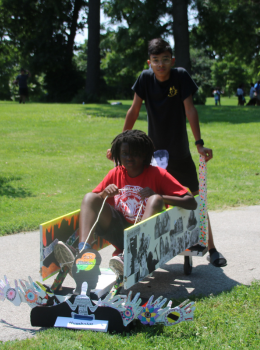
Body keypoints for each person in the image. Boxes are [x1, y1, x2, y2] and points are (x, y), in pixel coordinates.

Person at [107, 38, 226, 268]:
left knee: (194, 198)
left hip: (179, 152)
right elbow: (133, 110)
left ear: (172, 60)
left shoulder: (180, 76)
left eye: (164, 60)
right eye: (155, 61)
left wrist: (199, 143)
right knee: (151, 199)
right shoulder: (144, 78)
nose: (160, 65)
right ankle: (142, 247)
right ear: (149, 62)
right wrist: (120, 145)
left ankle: (211, 248)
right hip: (153, 155)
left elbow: (190, 109)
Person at [54, 130, 197, 277]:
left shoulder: (157, 174)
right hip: (120, 233)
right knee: (90, 197)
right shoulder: (115, 173)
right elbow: (94, 203)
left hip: (149, 238)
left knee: (155, 200)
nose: (129, 158)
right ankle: (84, 252)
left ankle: (132, 252)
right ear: (117, 154)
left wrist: (159, 196)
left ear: (144, 154)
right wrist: (104, 194)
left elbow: (191, 202)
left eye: (135, 153)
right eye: (124, 153)